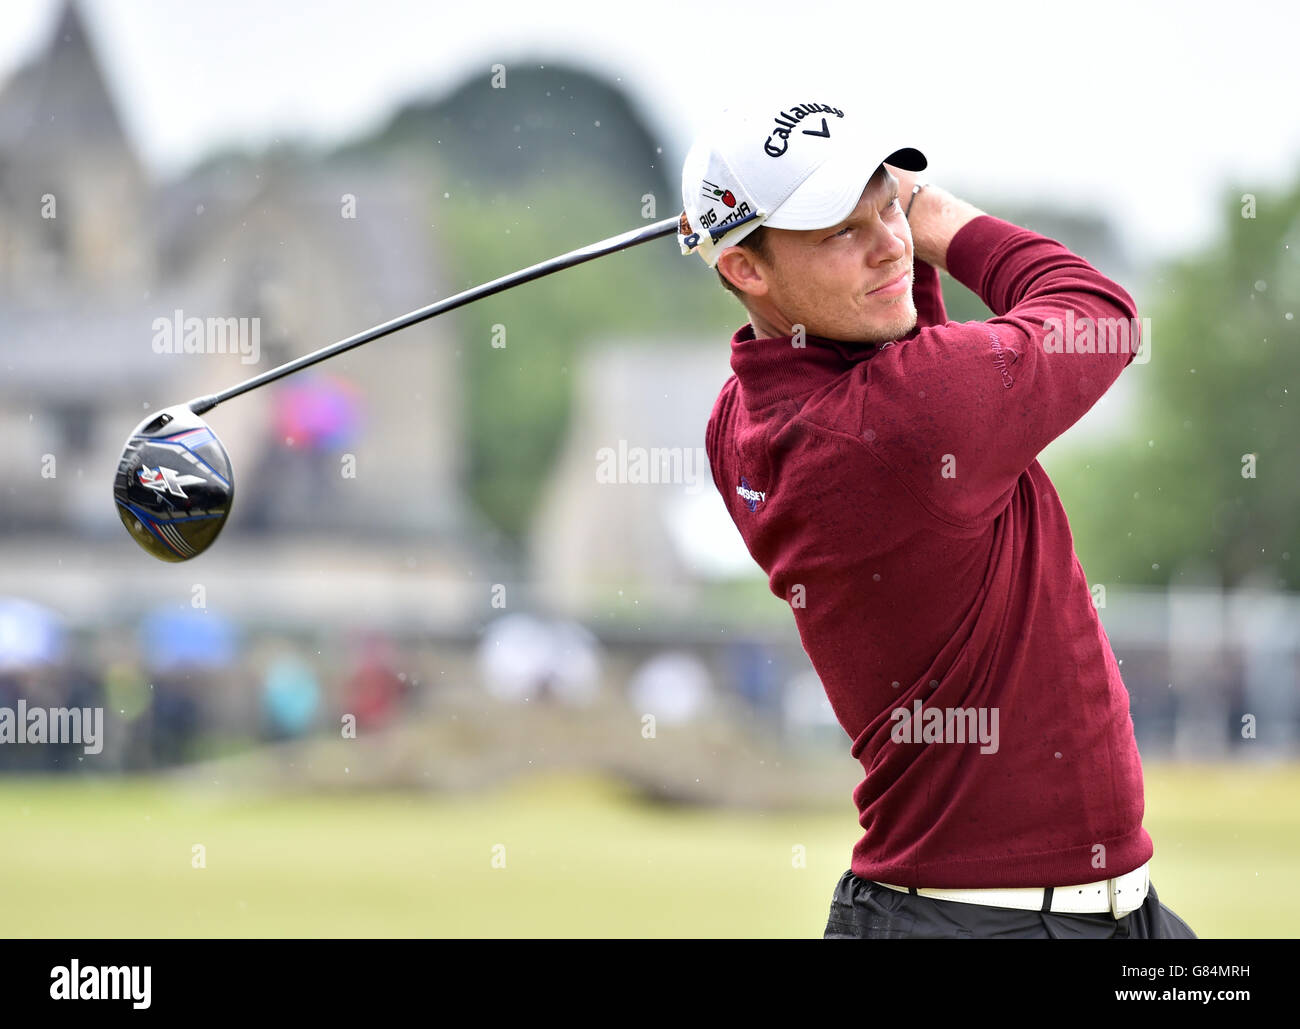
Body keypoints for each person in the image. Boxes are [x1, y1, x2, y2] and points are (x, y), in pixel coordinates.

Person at [680, 96, 1196, 939]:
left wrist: (873, 235)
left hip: (1095, 912)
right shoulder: (908, 416)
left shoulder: (738, 417)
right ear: (744, 269)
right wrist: (935, 215)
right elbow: (1100, 317)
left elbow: (901, 338)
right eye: (842, 230)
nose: (890, 244)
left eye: (887, 204)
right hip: (983, 922)